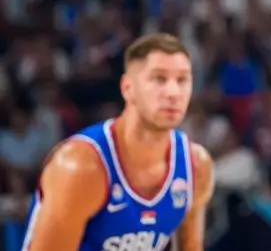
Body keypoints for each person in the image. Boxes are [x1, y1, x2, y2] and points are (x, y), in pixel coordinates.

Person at [19, 33, 215, 251]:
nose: (172, 92)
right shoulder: (81, 166)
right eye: (159, 79)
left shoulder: (196, 166)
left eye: (182, 80)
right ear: (127, 88)